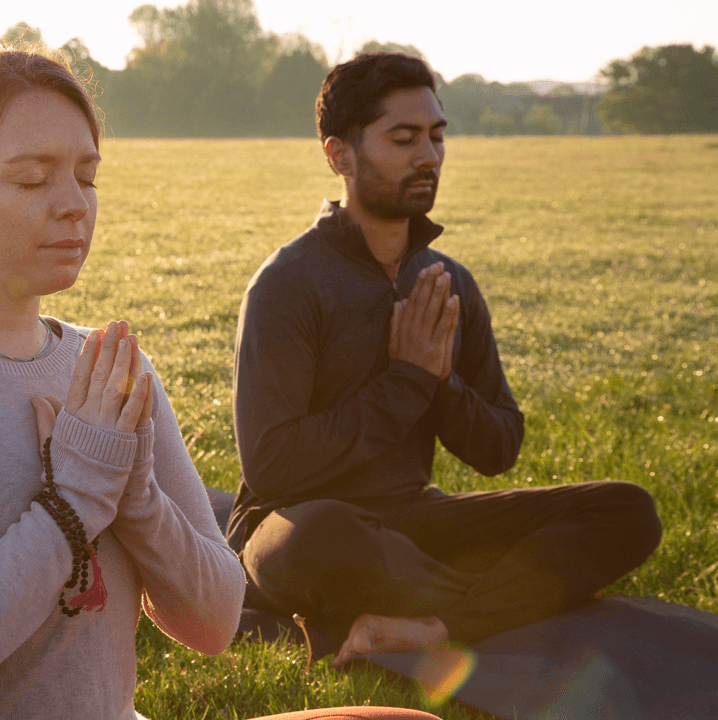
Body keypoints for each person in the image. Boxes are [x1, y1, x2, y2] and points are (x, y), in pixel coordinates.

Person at [0, 42, 439, 720]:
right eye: (32, 178)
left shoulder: (109, 370)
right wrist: (73, 501)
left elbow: (214, 622)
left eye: (86, 175)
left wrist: (135, 500)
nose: (75, 204)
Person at [227, 52, 662, 667]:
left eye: (436, 137)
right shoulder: (287, 284)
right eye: (403, 139)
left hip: (415, 525)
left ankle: (431, 625)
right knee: (323, 538)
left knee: (626, 510)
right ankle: (504, 603)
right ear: (339, 155)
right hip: (300, 527)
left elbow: (498, 448)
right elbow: (272, 469)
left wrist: (441, 385)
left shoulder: (448, 283)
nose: (428, 156)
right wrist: (406, 383)